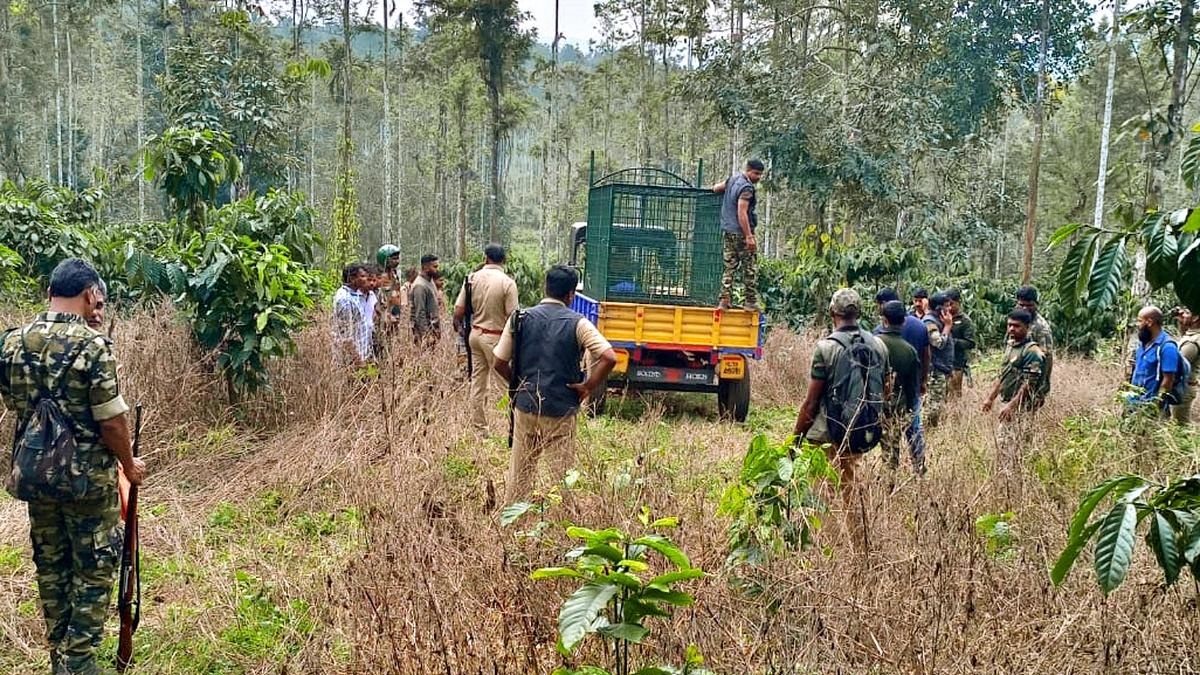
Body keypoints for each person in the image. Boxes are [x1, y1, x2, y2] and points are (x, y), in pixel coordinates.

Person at [0, 258, 147, 675]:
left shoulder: (11, 342)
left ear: (50, 293)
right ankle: (79, 662)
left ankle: (57, 658)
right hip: (88, 485)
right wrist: (128, 465)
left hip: (36, 481)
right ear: (88, 295)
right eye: (97, 300)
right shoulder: (93, 346)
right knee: (95, 568)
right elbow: (111, 421)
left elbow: (13, 403)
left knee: (52, 566)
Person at [493, 265, 617, 504]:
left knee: (519, 475)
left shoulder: (519, 318)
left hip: (526, 406)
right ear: (571, 294)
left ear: (545, 287)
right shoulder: (578, 323)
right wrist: (587, 387)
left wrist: (519, 385)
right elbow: (609, 357)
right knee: (560, 479)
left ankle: (513, 526)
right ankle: (559, 526)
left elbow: (498, 362)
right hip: (561, 411)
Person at [792, 288, 888, 545]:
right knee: (852, 491)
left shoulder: (826, 348)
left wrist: (795, 439)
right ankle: (860, 547)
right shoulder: (878, 345)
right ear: (859, 313)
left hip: (825, 435)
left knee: (823, 495)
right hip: (858, 432)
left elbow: (811, 403)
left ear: (832, 312)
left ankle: (829, 551)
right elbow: (885, 389)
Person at [981, 309, 1048, 496]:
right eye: (1009, 324)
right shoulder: (1011, 345)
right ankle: (1004, 485)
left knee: (1014, 448)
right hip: (1005, 403)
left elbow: (1030, 383)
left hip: (1020, 408)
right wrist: (990, 398)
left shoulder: (1032, 351)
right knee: (1003, 446)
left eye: (1016, 326)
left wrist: (1012, 405)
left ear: (1027, 328)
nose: (1011, 329)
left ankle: (1013, 489)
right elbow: (1003, 375)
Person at [454, 244, 520, 431]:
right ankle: (509, 426)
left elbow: (458, 311)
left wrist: (460, 330)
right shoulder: (507, 283)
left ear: (485, 258)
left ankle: (479, 427)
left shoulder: (471, 279)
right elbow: (513, 318)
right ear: (504, 260)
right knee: (505, 383)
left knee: (478, 381)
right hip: (496, 337)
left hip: (474, 335)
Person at [873, 288, 929, 465]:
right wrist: (923, 381)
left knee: (890, 438)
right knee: (914, 430)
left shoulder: (876, 336)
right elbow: (926, 355)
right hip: (910, 390)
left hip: (886, 397)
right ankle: (919, 466)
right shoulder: (920, 326)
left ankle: (891, 473)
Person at [712, 159, 765, 311]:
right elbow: (741, 212)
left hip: (728, 231)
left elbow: (716, 188)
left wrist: (717, 189)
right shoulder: (747, 188)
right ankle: (750, 301)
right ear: (748, 170)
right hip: (741, 232)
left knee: (729, 266)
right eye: (756, 173)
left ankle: (724, 300)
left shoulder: (733, 179)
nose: (758, 177)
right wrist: (749, 236)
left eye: (760, 174)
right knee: (749, 267)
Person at [1126, 306, 1182, 417]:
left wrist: (1155, 406)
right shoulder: (1143, 343)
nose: (1138, 325)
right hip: (1133, 403)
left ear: (1150, 322)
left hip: (1150, 408)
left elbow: (1168, 381)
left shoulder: (1168, 347)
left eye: (1140, 321)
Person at [921, 291, 955, 427]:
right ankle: (927, 432)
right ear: (938, 308)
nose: (950, 309)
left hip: (941, 369)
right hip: (934, 370)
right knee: (933, 406)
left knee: (940, 403)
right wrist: (947, 327)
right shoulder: (930, 321)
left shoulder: (938, 320)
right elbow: (938, 343)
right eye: (947, 306)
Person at [1015, 286, 1053, 404]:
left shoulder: (1041, 328)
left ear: (1036, 304)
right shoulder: (1017, 320)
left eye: (1029, 305)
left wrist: (1041, 389)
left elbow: (1046, 359)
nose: (1025, 308)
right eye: (1021, 305)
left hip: (1030, 381)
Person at [332, 263, 372, 368]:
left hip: (359, 356)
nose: (366, 279)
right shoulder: (344, 299)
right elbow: (345, 336)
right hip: (350, 362)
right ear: (352, 278)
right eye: (362, 276)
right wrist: (358, 361)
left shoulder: (354, 295)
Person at [945, 288, 976, 400]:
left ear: (958, 302)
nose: (949, 307)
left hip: (957, 363)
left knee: (954, 396)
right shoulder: (942, 316)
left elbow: (971, 343)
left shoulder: (965, 321)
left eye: (951, 304)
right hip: (942, 363)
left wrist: (953, 342)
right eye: (946, 304)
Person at [1172, 307, 1199, 424]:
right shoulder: (1191, 335)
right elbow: (1184, 335)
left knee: (1181, 425)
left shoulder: (1192, 343)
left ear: (1196, 318)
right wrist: (1182, 321)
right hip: (1185, 386)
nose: (1183, 315)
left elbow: (1177, 366)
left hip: (1184, 388)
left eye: (1187, 313)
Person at [411, 254, 442, 345]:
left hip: (433, 329)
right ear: (425, 267)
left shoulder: (430, 281)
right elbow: (420, 312)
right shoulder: (420, 286)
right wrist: (426, 335)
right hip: (425, 333)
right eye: (434, 267)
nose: (437, 269)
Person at [376, 245, 405, 332]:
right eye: (394, 259)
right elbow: (380, 301)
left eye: (397, 258)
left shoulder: (394, 274)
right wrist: (387, 315)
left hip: (395, 316)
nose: (397, 261)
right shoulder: (380, 278)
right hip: (385, 319)